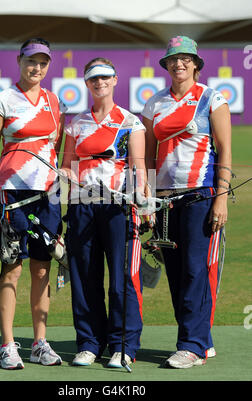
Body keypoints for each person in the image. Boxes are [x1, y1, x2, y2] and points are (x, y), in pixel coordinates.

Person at [142, 36, 232, 368]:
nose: (179, 64)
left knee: (196, 271)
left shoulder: (213, 98)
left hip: (201, 197)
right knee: (177, 274)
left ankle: (190, 345)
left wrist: (220, 199)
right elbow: (149, 158)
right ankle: (201, 341)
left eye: (185, 58)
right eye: (173, 59)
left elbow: (225, 151)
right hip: (165, 201)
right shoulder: (154, 104)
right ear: (165, 65)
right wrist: (147, 200)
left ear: (195, 63)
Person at [0, 38, 67, 369]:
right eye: (31, 61)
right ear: (19, 60)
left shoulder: (54, 100)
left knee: (43, 267)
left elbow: (55, 146)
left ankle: (40, 343)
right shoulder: (1, 101)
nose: (37, 68)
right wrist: (2, 191)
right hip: (14, 196)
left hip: (48, 194)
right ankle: (7, 345)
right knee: (11, 267)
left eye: (43, 62)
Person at [61, 58, 146, 368]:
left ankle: (124, 345)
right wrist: (66, 175)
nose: (100, 83)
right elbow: (68, 164)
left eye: (105, 77)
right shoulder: (76, 123)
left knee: (122, 278)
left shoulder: (130, 121)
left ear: (114, 80)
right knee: (85, 276)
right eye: (93, 79)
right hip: (82, 205)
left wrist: (140, 199)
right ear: (87, 84)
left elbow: (138, 166)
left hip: (118, 206)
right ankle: (89, 343)